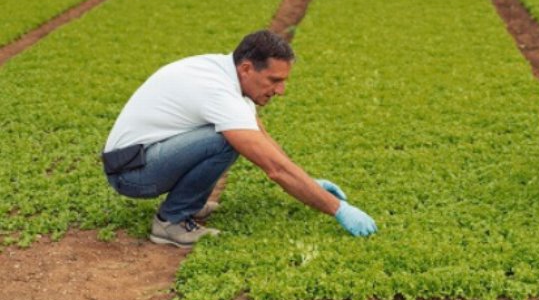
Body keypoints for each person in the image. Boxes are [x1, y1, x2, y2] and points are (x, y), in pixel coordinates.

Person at [103, 30, 377, 248]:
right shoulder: (218, 92)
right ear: (247, 68)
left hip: (144, 157)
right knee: (224, 140)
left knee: (229, 136)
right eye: (274, 80)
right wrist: (338, 209)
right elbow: (274, 168)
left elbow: (261, 137)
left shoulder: (226, 75)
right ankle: (170, 223)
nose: (280, 90)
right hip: (132, 173)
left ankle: (190, 205)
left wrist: (308, 182)